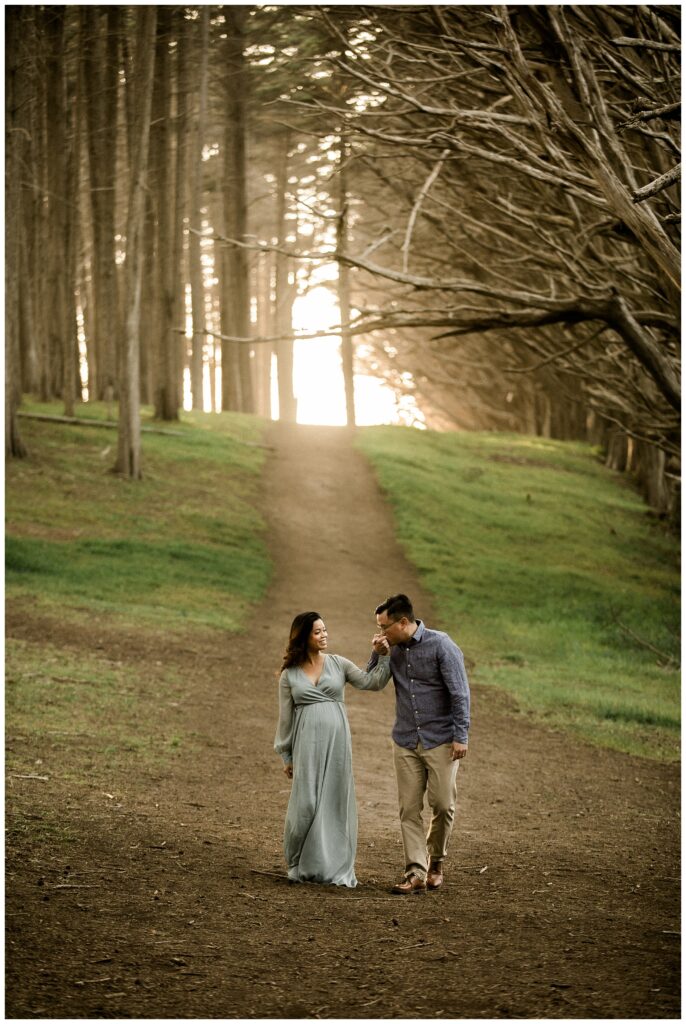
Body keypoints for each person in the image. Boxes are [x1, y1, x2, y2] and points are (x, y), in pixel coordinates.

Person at [274, 611, 391, 887]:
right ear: (304, 636)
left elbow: (371, 682)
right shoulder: (289, 675)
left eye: (325, 630)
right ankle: (297, 861)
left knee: (334, 800)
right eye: (318, 631)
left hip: (336, 744)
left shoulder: (338, 664)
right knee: (307, 803)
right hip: (306, 744)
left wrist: (382, 656)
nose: (324, 635)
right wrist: (287, 755)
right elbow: (285, 718)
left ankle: (330, 866)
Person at [367, 593, 470, 894]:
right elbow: (372, 681)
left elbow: (460, 694)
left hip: (440, 740)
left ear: (403, 622)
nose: (380, 633)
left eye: (384, 627)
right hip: (406, 740)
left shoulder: (442, 645)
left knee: (442, 804)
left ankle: (436, 861)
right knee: (408, 808)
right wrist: (378, 653)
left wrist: (461, 735)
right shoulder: (392, 649)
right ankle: (415, 871)